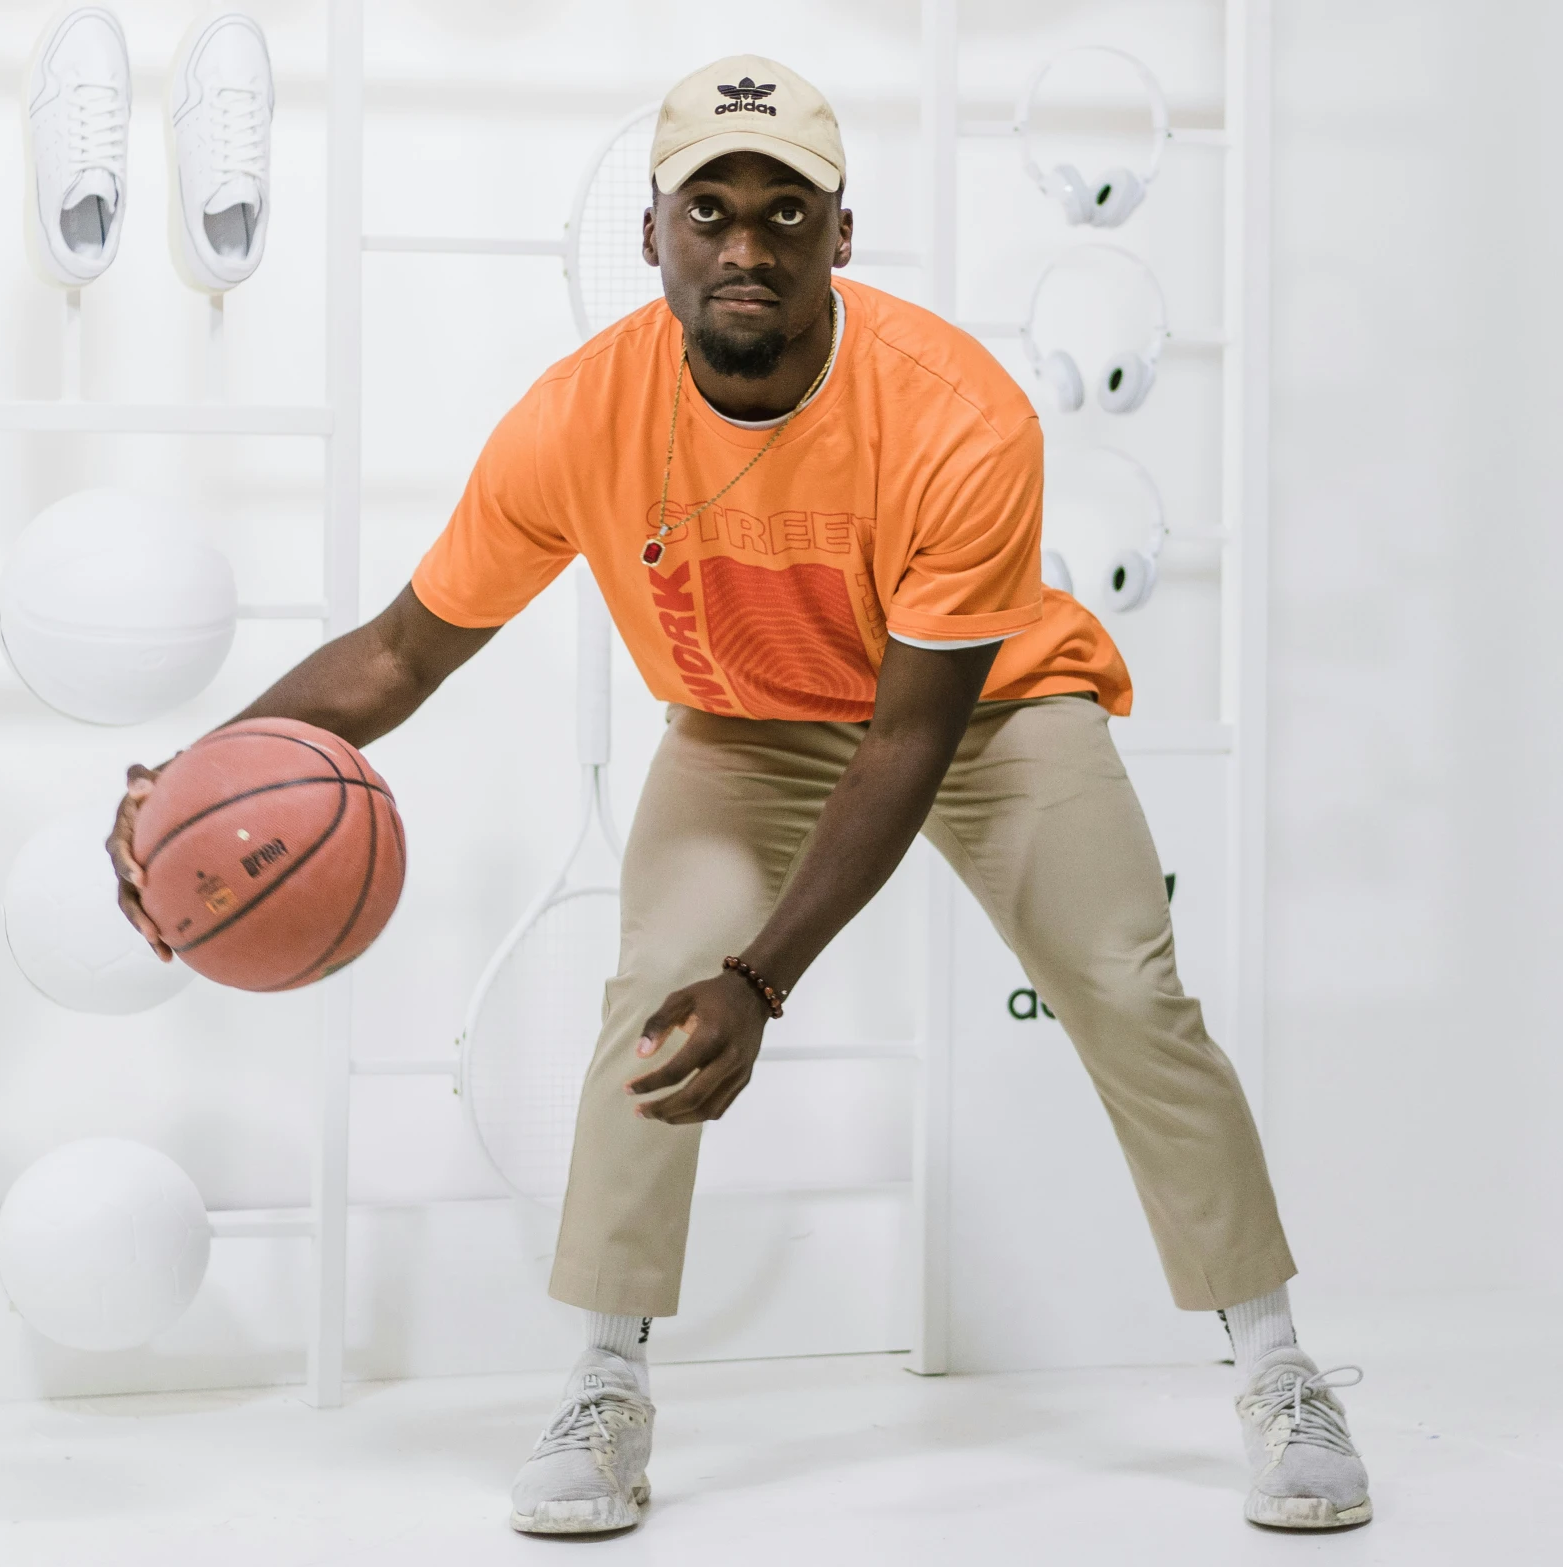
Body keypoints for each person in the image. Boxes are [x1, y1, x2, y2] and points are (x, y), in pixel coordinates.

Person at [107, 54, 1369, 1537]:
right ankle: (604, 1381)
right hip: (747, 725)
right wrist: (187, 789)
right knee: (652, 979)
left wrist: (763, 980)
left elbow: (905, 743)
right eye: (710, 208)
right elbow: (396, 653)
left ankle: (1279, 1367)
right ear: (652, 234)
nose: (747, 243)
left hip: (982, 712)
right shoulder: (576, 421)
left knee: (1126, 989)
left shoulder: (958, 414)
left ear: (843, 236)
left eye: (787, 210)